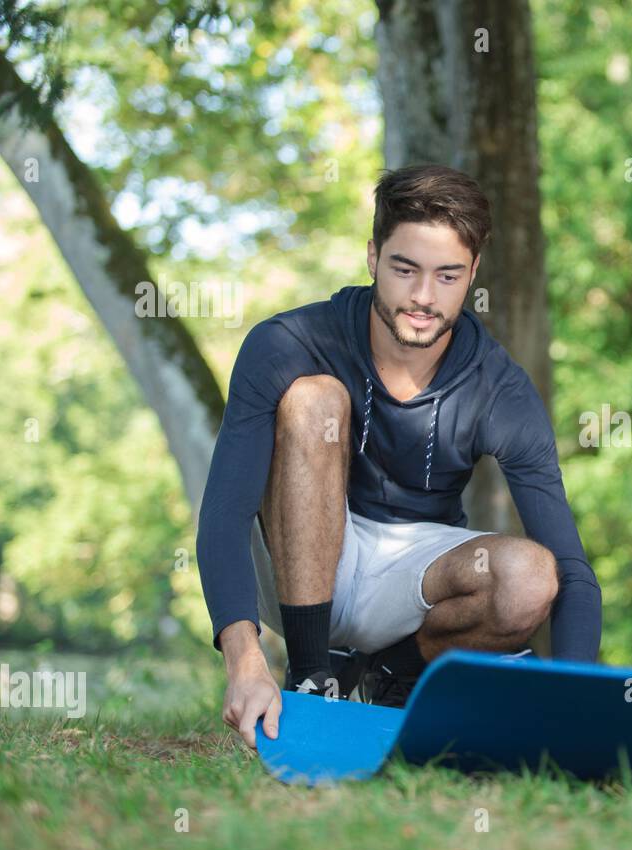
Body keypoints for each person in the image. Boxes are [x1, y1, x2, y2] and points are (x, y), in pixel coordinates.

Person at [196, 164, 602, 748]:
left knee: (529, 574)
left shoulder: (500, 389)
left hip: (411, 579)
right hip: (297, 559)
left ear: (473, 274)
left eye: (447, 276)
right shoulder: (285, 343)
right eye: (404, 269)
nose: (422, 297)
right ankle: (312, 677)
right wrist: (244, 659)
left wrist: (576, 695)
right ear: (372, 257)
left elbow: (571, 569)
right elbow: (224, 514)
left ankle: (396, 673)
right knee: (315, 400)